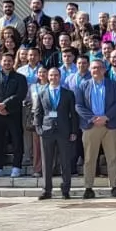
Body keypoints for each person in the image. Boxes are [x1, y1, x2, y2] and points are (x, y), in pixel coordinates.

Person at [76, 59, 116, 199]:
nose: (95, 70)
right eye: (93, 68)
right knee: (89, 158)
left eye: (98, 68)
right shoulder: (83, 86)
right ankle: (88, 187)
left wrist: (106, 117)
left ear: (104, 70)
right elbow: (78, 106)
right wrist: (92, 118)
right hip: (91, 126)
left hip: (110, 125)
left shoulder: (113, 85)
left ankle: (115, 187)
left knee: (113, 158)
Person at [34, 66, 80, 200]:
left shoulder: (68, 93)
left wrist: (73, 131)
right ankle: (46, 190)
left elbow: (73, 114)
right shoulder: (42, 93)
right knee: (47, 162)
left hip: (63, 131)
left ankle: (65, 189)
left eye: (56, 75)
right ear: (47, 77)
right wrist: (39, 128)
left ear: (60, 77)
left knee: (65, 161)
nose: (53, 78)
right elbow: (38, 112)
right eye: (51, 75)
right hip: (47, 131)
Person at [0, 52, 27, 178]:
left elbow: (20, 94)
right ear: (1, 62)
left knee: (16, 140)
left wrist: (5, 104)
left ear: (13, 62)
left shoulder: (20, 78)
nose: (7, 63)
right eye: (5, 61)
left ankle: (16, 167)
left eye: (9, 61)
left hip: (13, 112)